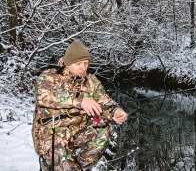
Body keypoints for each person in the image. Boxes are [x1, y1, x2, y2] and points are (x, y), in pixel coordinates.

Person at [31, 40, 127, 171]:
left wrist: (115, 110)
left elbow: (104, 101)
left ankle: (77, 167)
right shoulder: (49, 76)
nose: (83, 68)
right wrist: (81, 100)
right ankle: (54, 164)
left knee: (105, 127)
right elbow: (43, 95)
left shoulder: (91, 81)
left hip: (77, 132)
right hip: (53, 135)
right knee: (61, 159)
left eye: (86, 63)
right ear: (67, 63)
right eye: (78, 64)